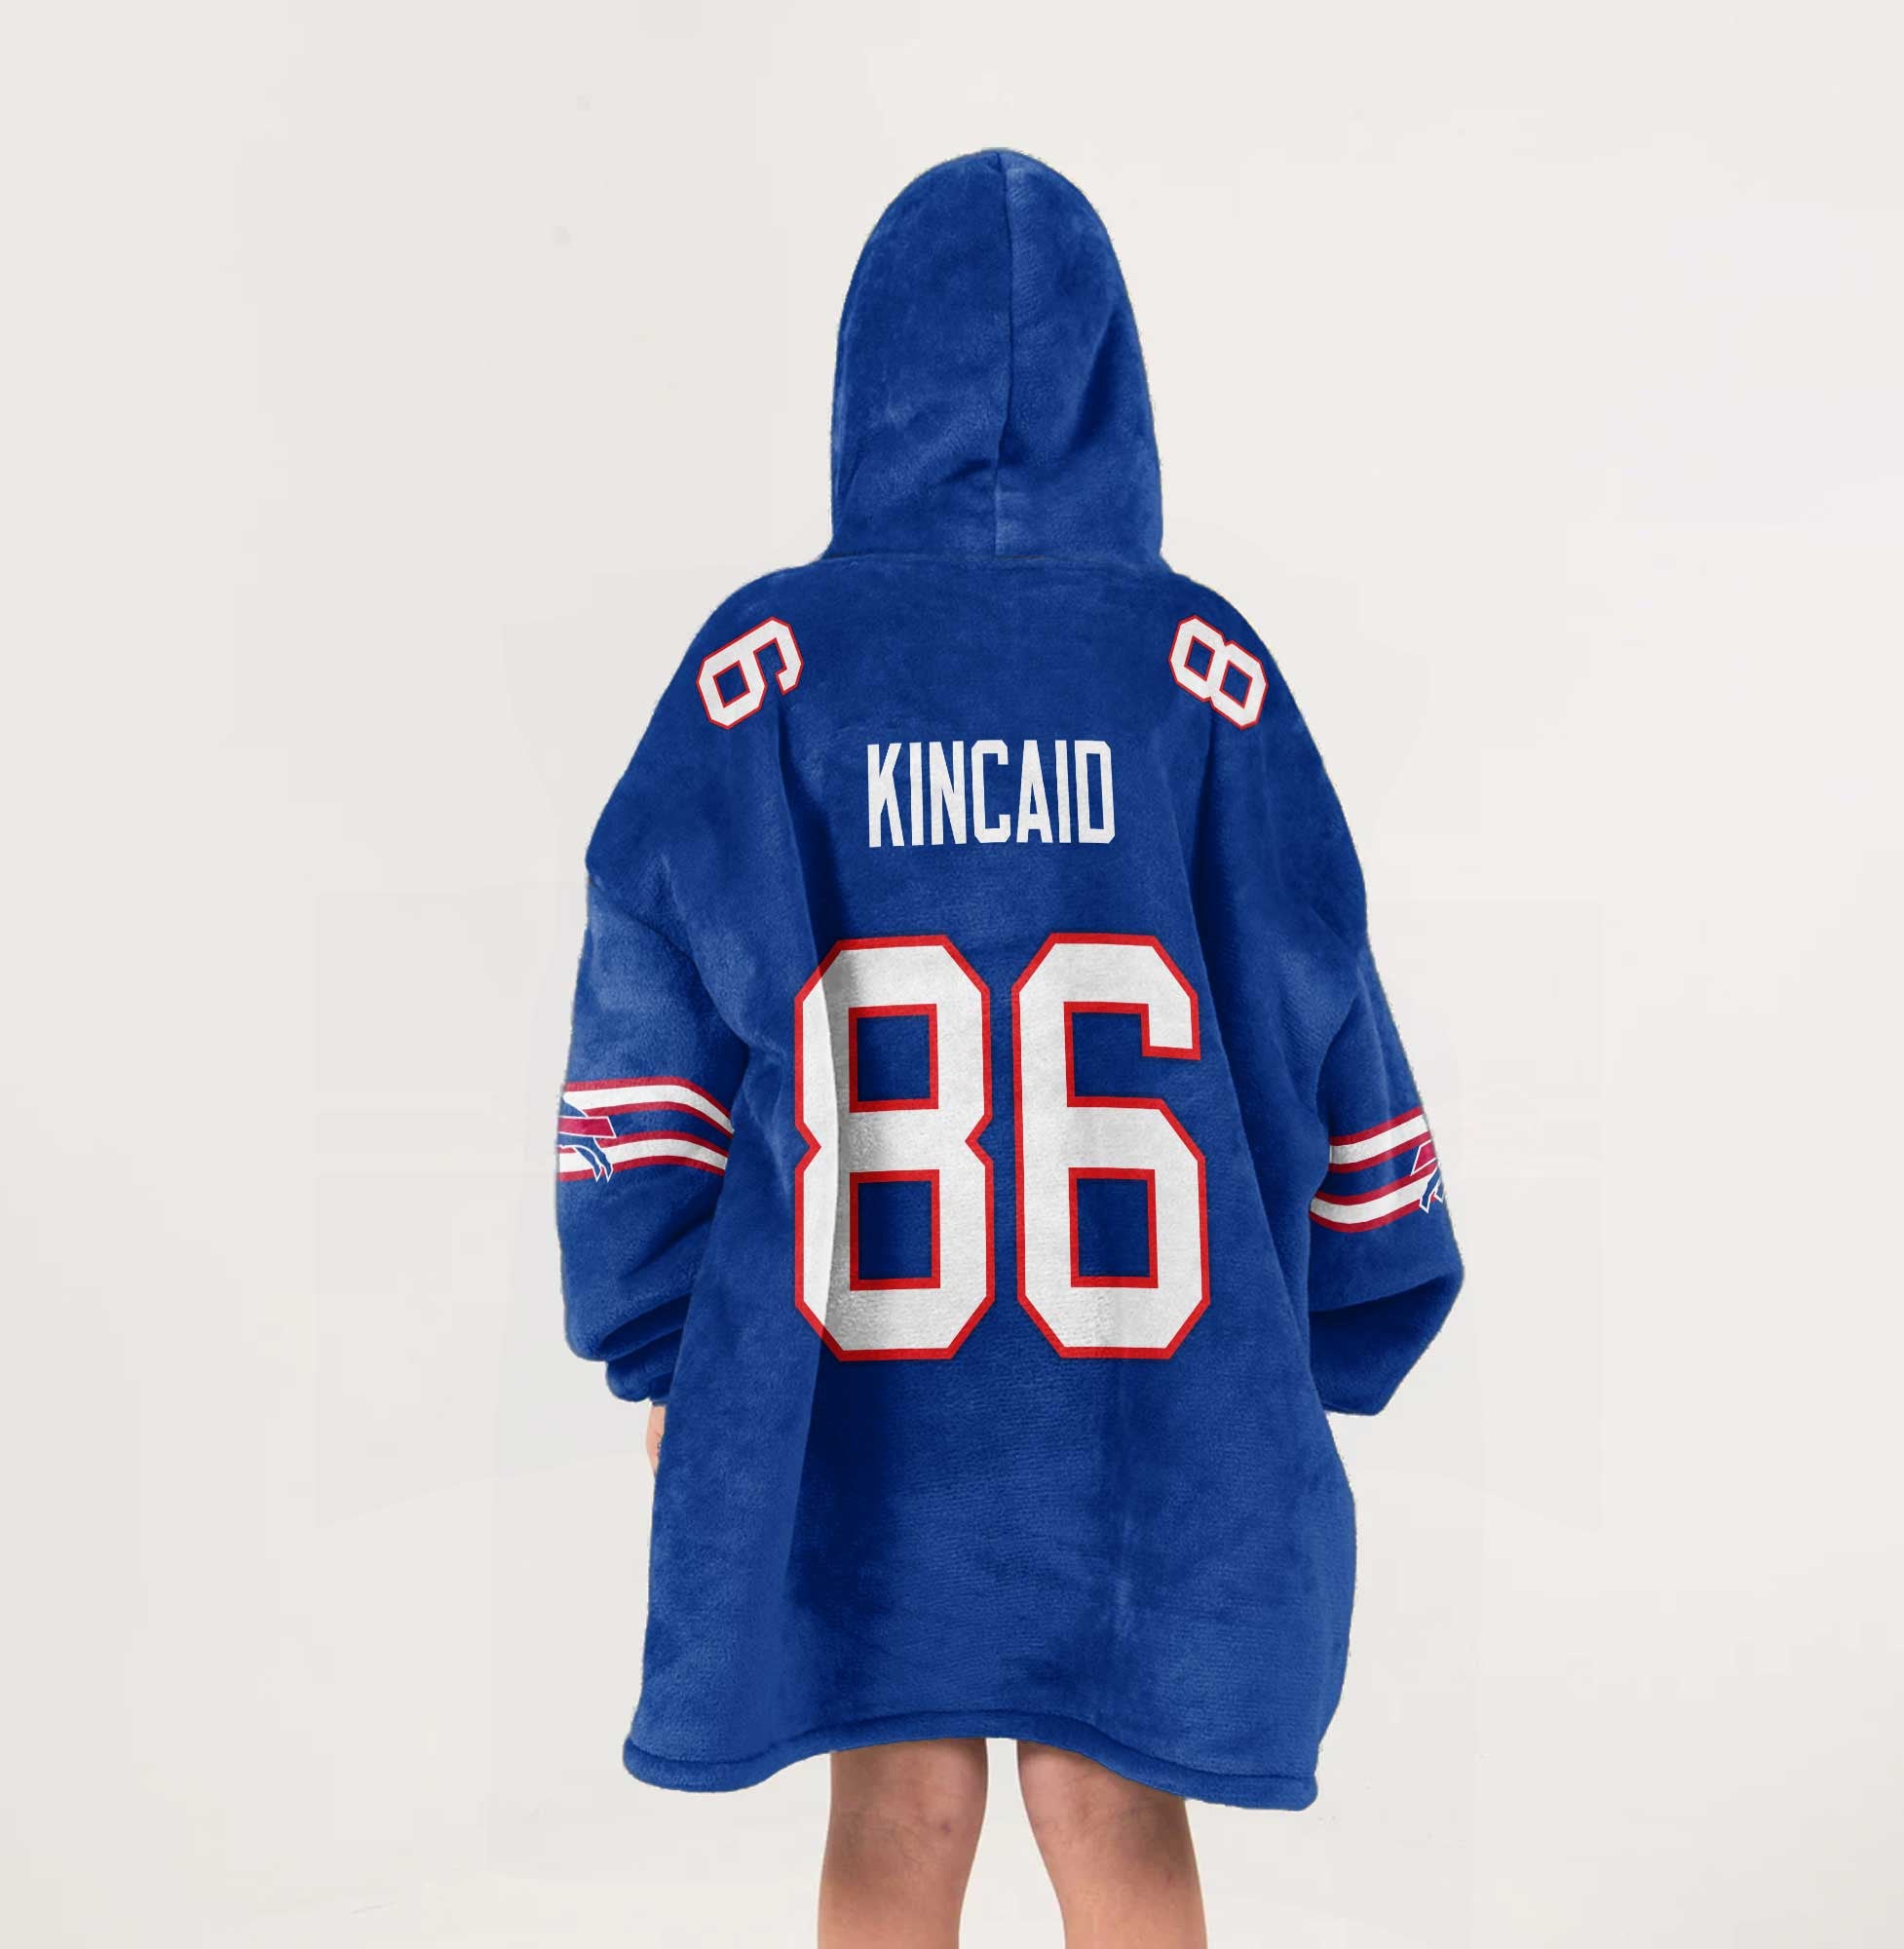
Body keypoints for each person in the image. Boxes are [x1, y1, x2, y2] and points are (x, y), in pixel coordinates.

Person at [557, 150, 1463, 1949]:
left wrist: (661, 1336)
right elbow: (1317, 974)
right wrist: (1352, 1299)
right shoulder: (1203, 672)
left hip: (851, 1356)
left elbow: (645, 992)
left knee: (896, 1800)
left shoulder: (766, 668)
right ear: (1117, 384)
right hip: (1151, 1372)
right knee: (1111, 1799)